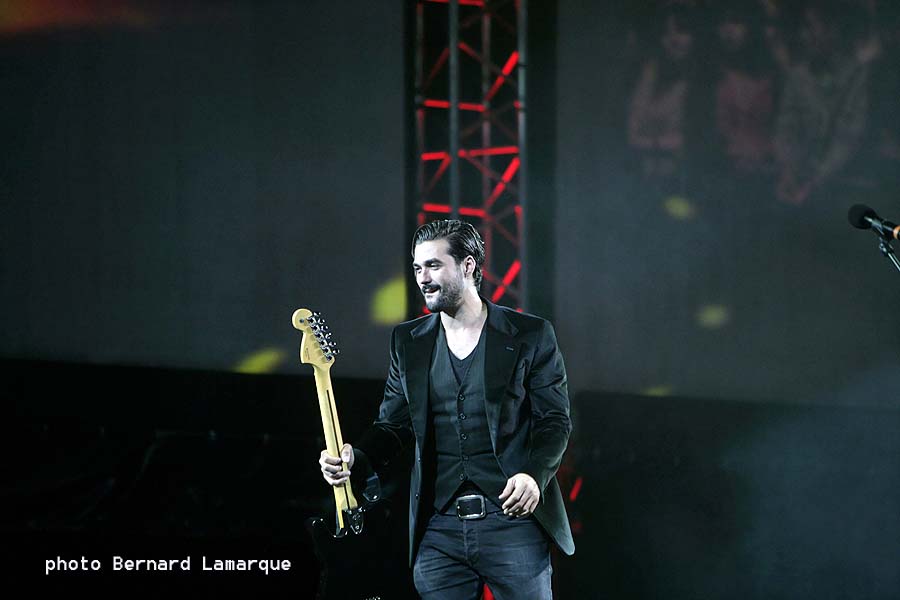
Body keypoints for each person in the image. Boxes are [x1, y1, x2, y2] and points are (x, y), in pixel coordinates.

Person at [319, 219, 574, 599]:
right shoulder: (408, 341)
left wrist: (534, 476)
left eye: (434, 265)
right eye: (417, 268)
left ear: (468, 266)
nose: (423, 278)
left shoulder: (530, 334)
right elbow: (393, 425)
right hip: (438, 531)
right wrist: (358, 456)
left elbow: (554, 421)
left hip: (513, 524)